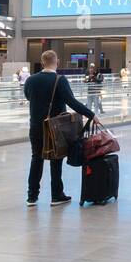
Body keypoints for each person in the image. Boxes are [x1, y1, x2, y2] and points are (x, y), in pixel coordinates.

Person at [24, 49, 94, 207]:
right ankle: (56, 195)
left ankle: (32, 197)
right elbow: (72, 102)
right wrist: (90, 114)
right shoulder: (59, 80)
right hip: (54, 128)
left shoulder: (31, 80)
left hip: (36, 126)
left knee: (36, 158)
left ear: (42, 62)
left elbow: (28, 97)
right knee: (56, 160)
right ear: (57, 62)